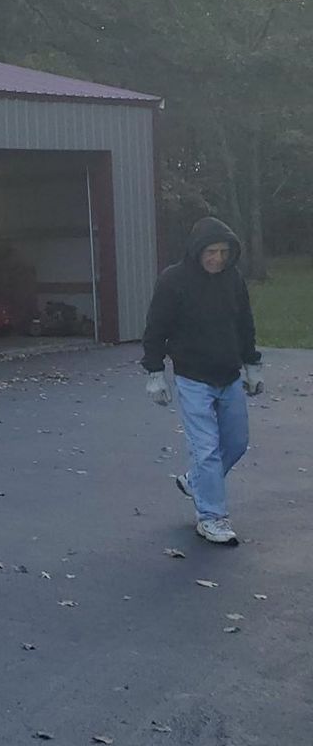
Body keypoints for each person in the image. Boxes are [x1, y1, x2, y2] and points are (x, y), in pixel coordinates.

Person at [140, 217, 264, 544]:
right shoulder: (173, 281)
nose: (217, 259)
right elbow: (156, 329)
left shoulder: (233, 279)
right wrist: (155, 373)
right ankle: (211, 517)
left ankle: (196, 482)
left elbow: (244, 324)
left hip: (229, 375)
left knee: (236, 442)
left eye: (224, 252)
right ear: (197, 251)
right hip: (192, 377)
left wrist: (252, 365)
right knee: (206, 449)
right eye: (211, 251)